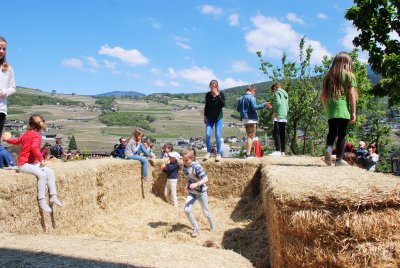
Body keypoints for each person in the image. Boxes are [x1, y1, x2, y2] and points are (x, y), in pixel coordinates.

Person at [1, 114, 62, 213]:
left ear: (30, 124)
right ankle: (42, 201)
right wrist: (41, 160)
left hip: (30, 164)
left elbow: (17, 141)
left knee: (50, 172)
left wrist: (7, 139)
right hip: (24, 164)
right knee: (42, 174)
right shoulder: (37, 135)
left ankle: (53, 196)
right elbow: (34, 148)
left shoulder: (27, 133)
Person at [321, 52, 358, 166]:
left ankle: (328, 148)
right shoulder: (348, 75)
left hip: (330, 108)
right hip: (343, 108)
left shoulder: (327, 76)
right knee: (341, 134)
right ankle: (339, 160)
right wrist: (353, 112)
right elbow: (352, 94)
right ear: (346, 63)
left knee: (332, 131)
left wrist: (326, 107)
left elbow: (323, 95)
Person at [181, 147, 216, 237]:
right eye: (183, 160)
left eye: (186, 160)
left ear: (192, 158)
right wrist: (183, 186)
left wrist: (197, 184)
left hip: (201, 193)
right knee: (186, 210)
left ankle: (213, 227)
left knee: (206, 212)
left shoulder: (196, 166)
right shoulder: (184, 167)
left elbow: (206, 179)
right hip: (191, 192)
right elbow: (187, 177)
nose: (184, 162)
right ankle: (196, 227)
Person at [237, 84, 271, 158]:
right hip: (251, 119)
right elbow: (255, 107)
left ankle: (247, 153)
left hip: (244, 119)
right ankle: (248, 154)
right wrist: (264, 104)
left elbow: (238, 109)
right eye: (254, 92)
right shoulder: (251, 97)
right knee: (250, 137)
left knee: (248, 136)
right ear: (253, 91)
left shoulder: (241, 97)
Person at [203, 80, 225, 162]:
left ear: (217, 86)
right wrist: (205, 116)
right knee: (208, 135)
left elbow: (223, 104)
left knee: (218, 135)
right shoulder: (208, 95)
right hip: (209, 118)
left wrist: (217, 95)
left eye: (215, 86)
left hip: (218, 118)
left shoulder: (221, 94)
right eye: (212, 86)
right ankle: (208, 152)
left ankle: (218, 154)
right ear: (210, 86)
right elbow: (206, 106)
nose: (213, 88)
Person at [0, 36, 16, 136]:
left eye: (4, 49)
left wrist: (3, 92)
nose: (1, 51)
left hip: (1, 110)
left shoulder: (8, 68)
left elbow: (13, 88)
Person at [268, 83, 289, 156]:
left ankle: (277, 150)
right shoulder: (285, 94)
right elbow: (287, 105)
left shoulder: (277, 93)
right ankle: (283, 151)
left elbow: (278, 103)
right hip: (284, 115)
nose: (273, 93)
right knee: (282, 133)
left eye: (273, 91)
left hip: (278, 114)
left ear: (274, 88)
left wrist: (274, 112)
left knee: (276, 132)